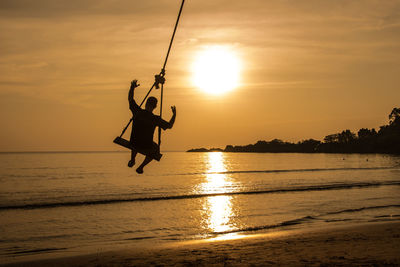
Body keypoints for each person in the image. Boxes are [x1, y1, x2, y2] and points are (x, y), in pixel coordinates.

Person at [128, 79, 176, 174]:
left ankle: (132, 159)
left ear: (146, 104)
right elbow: (169, 126)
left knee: (136, 140)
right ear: (155, 107)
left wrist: (132, 87)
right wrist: (174, 114)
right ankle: (141, 167)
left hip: (134, 142)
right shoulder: (155, 119)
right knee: (156, 149)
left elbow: (130, 99)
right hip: (146, 145)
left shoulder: (137, 111)